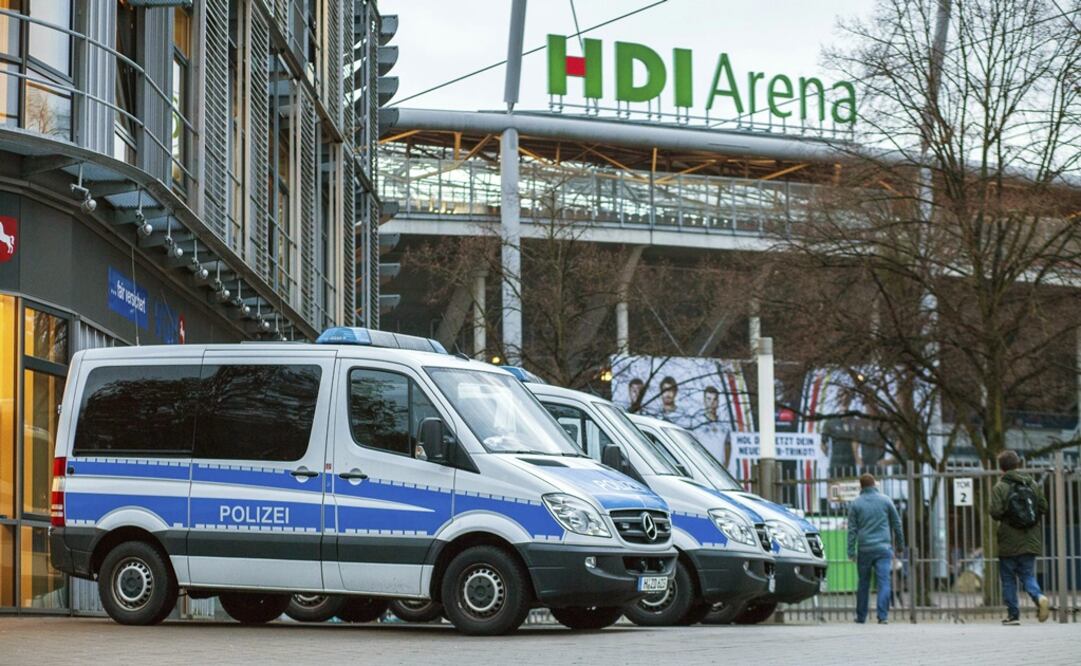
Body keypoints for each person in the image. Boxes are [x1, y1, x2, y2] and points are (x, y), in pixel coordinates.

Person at [989, 449, 1050, 625]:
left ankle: (1013, 615)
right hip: (1030, 538)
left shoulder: (1000, 486)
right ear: (1018, 464)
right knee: (1028, 575)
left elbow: (994, 512)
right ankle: (1039, 597)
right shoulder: (1032, 484)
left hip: (1008, 540)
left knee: (1008, 579)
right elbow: (1044, 506)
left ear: (1001, 468)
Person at [847, 473, 904, 624]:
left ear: (861, 486)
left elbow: (852, 530)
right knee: (884, 582)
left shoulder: (856, 504)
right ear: (874, 485)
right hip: (884, 549)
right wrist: (900, 545)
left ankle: (861, 617)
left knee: (863, 583)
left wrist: (851, 551)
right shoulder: (886, 500)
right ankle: (883, 616)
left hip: (864, 549)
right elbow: (897, 523)